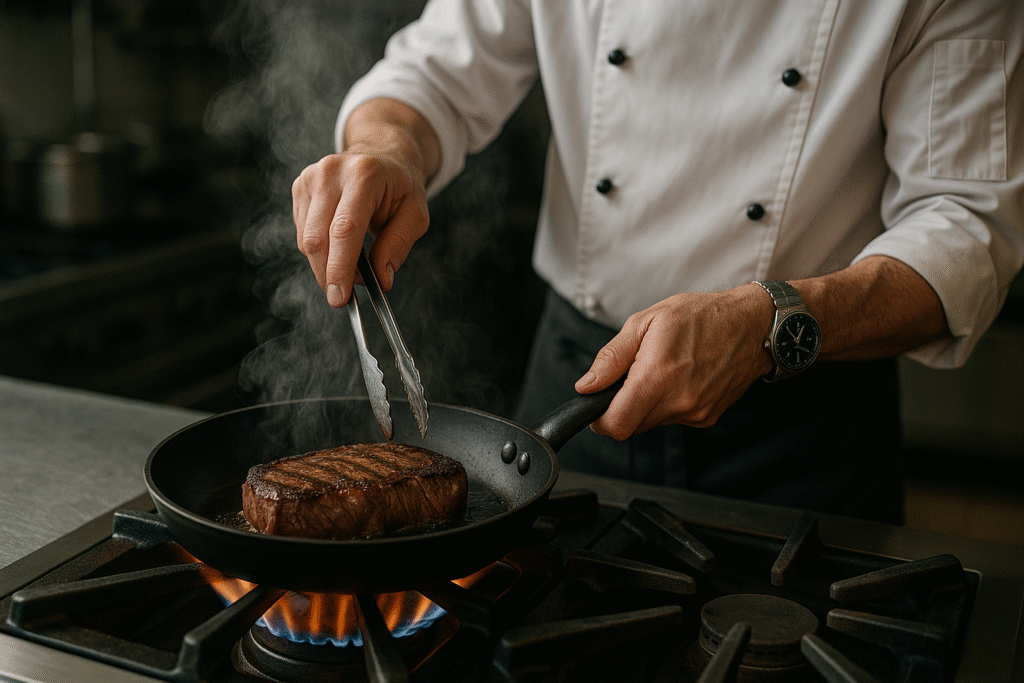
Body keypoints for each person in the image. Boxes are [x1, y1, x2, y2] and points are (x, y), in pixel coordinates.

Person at [290, 0, 1024, 522]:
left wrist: (766, 321)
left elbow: (966, 224)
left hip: (801, 422)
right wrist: (386, 149)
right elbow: (437, 70)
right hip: (575, 387)